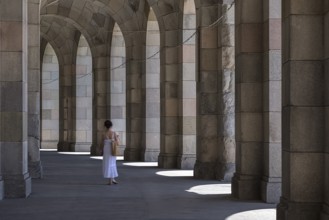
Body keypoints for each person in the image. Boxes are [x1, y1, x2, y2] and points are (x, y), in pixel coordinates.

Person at [102, 120, 120, 185]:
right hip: (112, 149)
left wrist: (101, 150)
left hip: (106, 149)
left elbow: (102, 143)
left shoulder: (104, 133)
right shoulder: (113, 132)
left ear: (105, 126)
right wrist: (117, 137)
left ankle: (112, 179)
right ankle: (111, 180)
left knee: (107, 163)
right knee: (112, 163)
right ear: (111, 125)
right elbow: (117, 143)